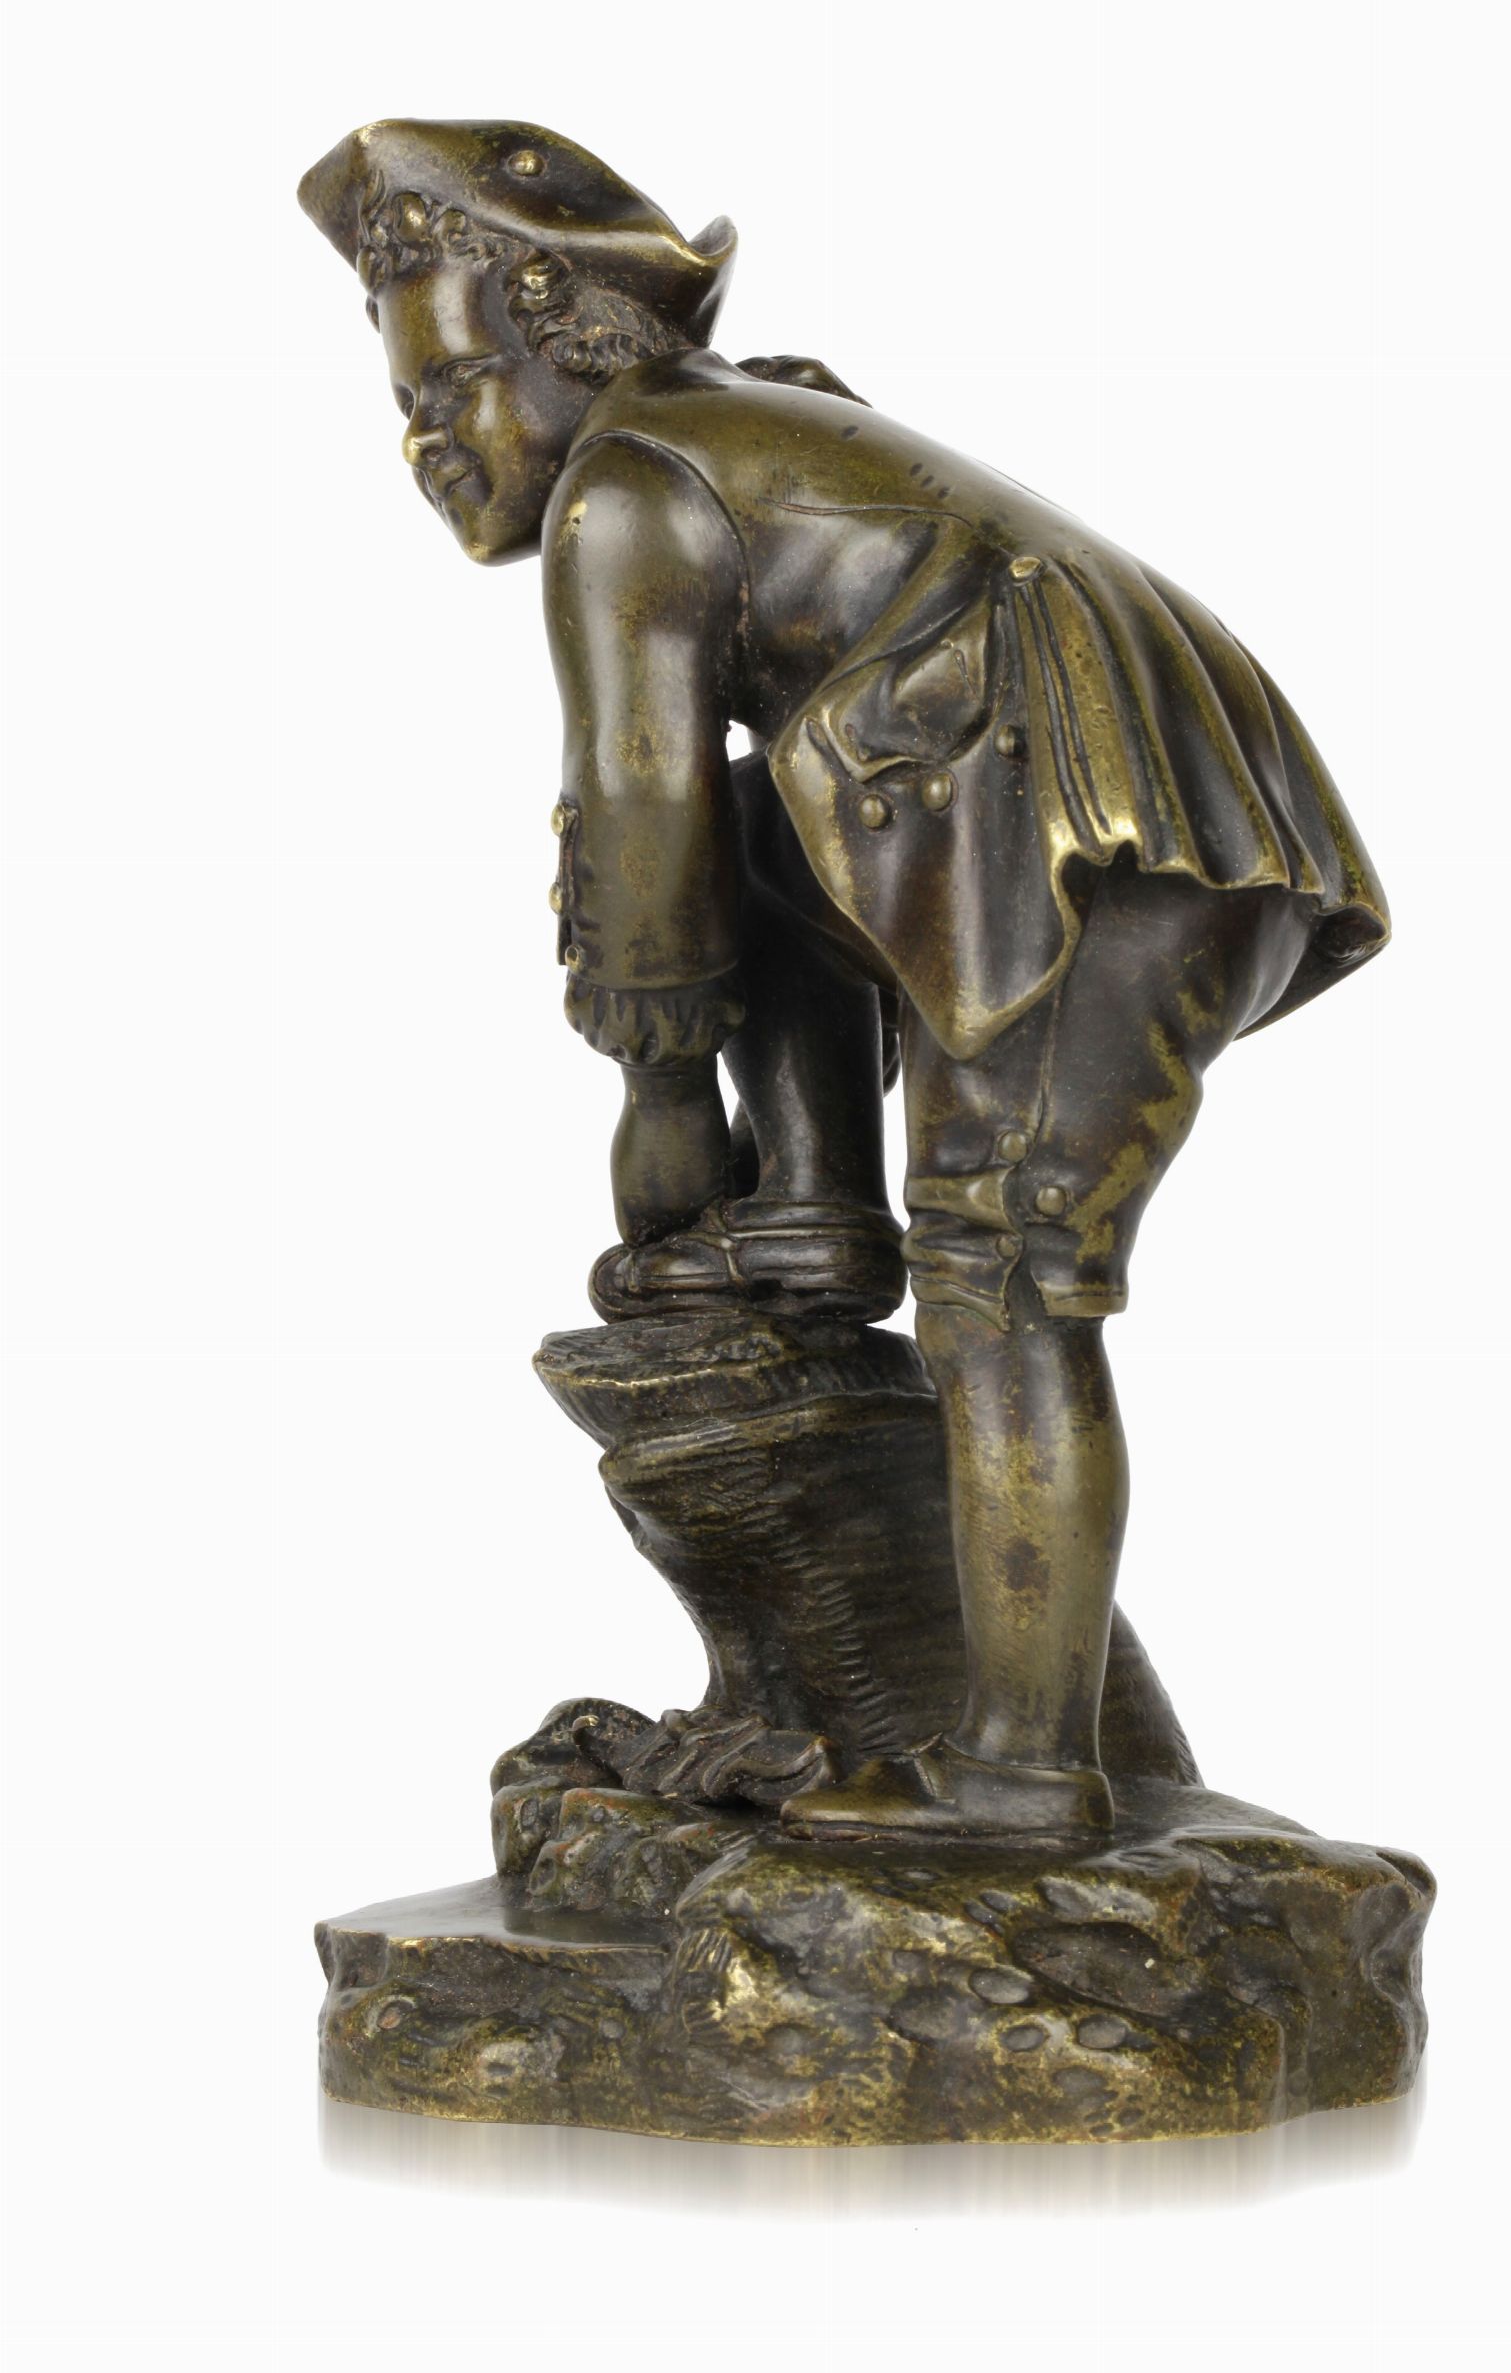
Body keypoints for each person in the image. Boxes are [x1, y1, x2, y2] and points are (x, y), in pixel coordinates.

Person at [301, 120, 1389, 1837]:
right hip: (1017, 779)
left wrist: (662, 1092)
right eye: (403, 410)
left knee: (1005, 1276)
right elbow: (707, 832)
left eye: (451, 390)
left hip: (1073, 809)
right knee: (766, 822)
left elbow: (634, 818)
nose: (427, 443)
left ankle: (1024, 1772)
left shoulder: (629, 488)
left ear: (572, 341)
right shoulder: (740, 431)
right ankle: (816, 1210)